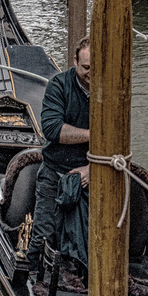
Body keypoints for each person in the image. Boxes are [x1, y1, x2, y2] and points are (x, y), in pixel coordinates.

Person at [23, 37, 90, 275]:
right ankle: (33, 279)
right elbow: (51, 129)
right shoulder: (59, 85)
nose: (92, 74)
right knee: (43, 233)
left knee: (90, 239)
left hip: (92, 173)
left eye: (96, 68)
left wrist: (92, 168)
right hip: (54, 171)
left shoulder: (110, 88)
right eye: (86, 68)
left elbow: (120, 144)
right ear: (75, 61)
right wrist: (97, 135)